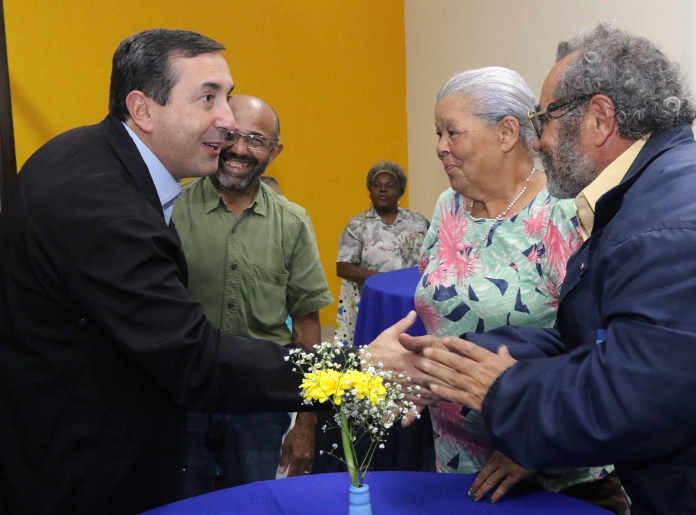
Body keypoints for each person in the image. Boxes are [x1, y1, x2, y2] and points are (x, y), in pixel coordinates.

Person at [401, 23, 696, 513]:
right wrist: (455, 359)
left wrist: (503, 392)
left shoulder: (680, 225)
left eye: (545, 119)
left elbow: (628, 402)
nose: (540, 140)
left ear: (599, 119)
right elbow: (596, 339)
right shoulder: (658, 191)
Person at [0, 29, 355, 514]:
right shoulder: (107, 211)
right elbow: (195, 362)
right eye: (208, 98)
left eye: (227, 97)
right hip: (77, 471)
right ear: (143, 110)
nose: (227, 120)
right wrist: (352, 371)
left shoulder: (84, 151)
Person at [415, 66, 624, 512]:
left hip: (556, 478)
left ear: (508, 132)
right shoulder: (449, 206)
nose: (440, 147)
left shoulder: (565, 213)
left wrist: (536, 443)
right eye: (437, 133)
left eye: (452, 132)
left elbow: (599, 346)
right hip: (456, 464)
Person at [172, 95, 332, 496]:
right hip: (182, 401)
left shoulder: (292, 222)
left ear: (274, 151)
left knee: (257, 504)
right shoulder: (170, 210)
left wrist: (307, 421)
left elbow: (307, 324)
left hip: (260, 407)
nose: (240, 149)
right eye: (230, 134)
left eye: (256, 140)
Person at [334, 161, 429, 346]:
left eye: (390, 186)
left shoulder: (418, 222)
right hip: (376, 301)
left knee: (413, 345)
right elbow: (343, 267)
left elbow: (435, 255)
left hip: (413, 300)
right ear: (370, 191)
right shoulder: (358, 225)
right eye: (377, 185)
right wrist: (382, 280)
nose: (383, 190)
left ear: (400, 192)